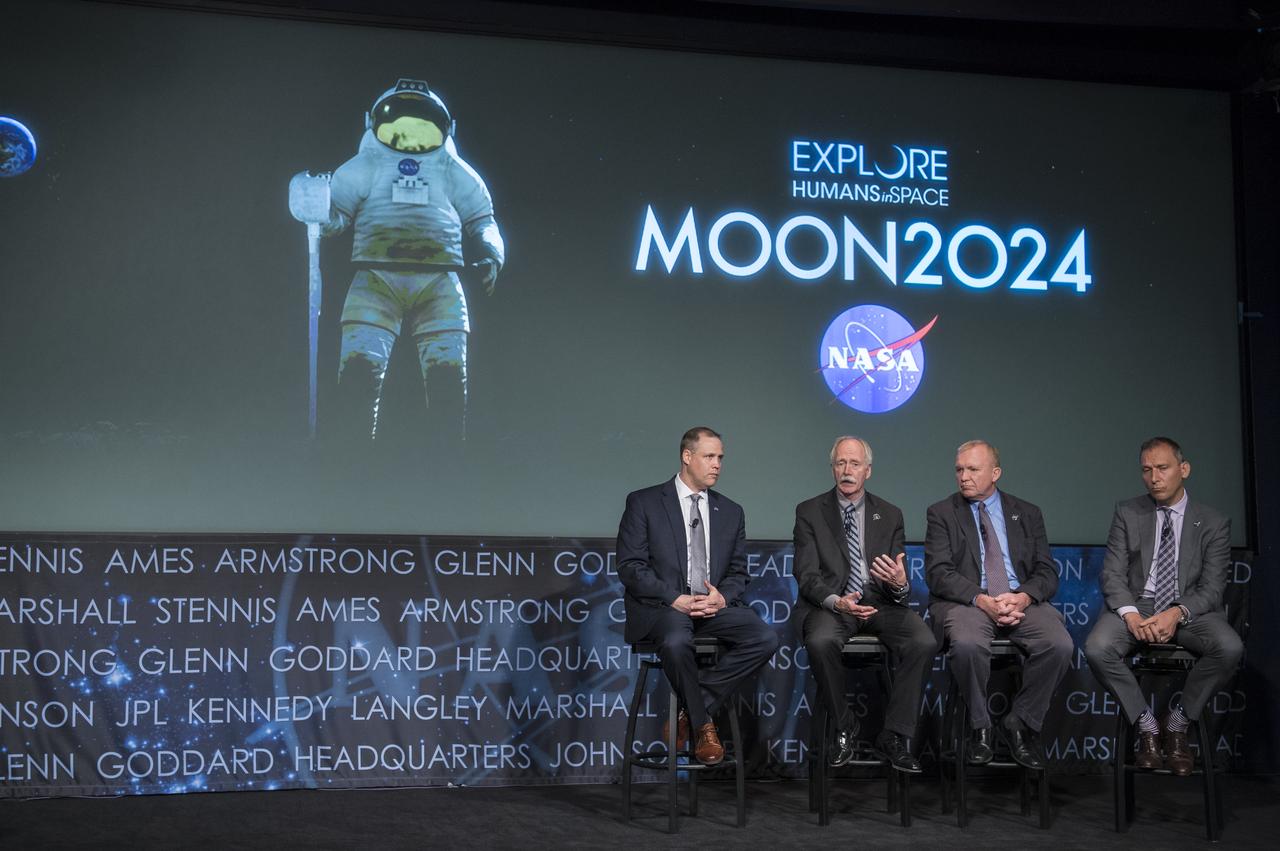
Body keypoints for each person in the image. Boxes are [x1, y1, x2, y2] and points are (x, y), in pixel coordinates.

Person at [290, 78, 504, 441]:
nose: (408, 137)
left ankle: (445, 460)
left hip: (438, 283)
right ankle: (351, 457)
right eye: (399, 125)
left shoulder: (452, 170)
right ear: (372, 124)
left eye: (421, 124)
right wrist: (318, 209)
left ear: (446, 128)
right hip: (377, 280)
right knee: (360, 376)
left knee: (448, 381)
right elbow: (336, 217)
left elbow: (483, 221)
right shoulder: (366, 165)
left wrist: (490, 253)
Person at [617, 427, 780, 764]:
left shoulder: (731, 511)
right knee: (676, 643)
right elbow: (630, 566)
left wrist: (722, 598)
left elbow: (738, 573)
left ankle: (692, 710)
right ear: (687, 457)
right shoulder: (644, 502)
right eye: (709, 456)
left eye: (720, 457)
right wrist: (675, 598)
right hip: (665, 608)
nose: (717, 464)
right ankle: (704, 725)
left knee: (764, 638)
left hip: (712, 607)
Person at [1084, 437, 1242, 776]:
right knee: (1098, 647)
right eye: (1146, 470)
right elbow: (1112, 573)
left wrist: (1176, 612)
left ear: (1183, 470)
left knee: (1228, 647)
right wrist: (1130, 615)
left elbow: (1213, 588)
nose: (1154, 477)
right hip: (1138, 603)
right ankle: (1147, 726)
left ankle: (1178, 723)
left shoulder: (1213, 522)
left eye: (1162, 468)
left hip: (1189, 610)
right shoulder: (1128, 512)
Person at [924, 440, 1073, 770]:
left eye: (973, 469)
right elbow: (938, 574)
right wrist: (981, 599)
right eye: (959, 469)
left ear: (996, 473)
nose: (964, 476)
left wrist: (1022, 596)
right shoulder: (941, 513)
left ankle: (1020, 721)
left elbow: (1046, 571)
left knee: (1059, 644)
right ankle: (981, 727)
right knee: (966, 644)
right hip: (967, 603)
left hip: (1019, 600)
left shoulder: (1028, 513)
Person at [792, 436, 937, 772]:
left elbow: (897, 574)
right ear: (832, 469)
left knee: (924, 641)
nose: (847, 470)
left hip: (880, 604)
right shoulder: (810, 512)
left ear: (867, 471)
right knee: (820, 640)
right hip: (834, 605)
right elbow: (807, 575)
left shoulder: (890, 514)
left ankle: (894, 734)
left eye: (854, 464)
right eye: (841, 463)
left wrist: (900, 585)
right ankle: (845, 726)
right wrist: (837, 602)